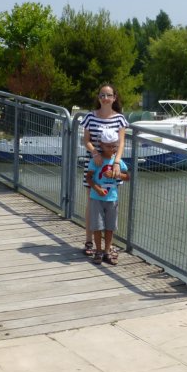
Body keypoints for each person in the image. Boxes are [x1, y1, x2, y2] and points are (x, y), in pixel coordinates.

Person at [79, 83, 128, 256]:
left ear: (114, 98)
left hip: (111, 165)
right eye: (102, 95)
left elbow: (121, 142)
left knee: (111, 203)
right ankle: (89, 240)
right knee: (92, 203)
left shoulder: (120, 118)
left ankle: (108, 245)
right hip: (95, 164)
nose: (105, 98)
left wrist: (117, 162)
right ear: (98, 98)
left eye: (108, 95)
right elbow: (86, 140)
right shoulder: (90, 117)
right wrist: (94, 153)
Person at [85, 128, 129, 265]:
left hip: (112, 198)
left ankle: (107, 251)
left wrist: (117, 175)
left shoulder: (118, 162)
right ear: (101, 145)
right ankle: (98, 251)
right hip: (96, 198)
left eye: (114, 146)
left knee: (110, 227)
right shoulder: (96, 161)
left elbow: (127, 176)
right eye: (108, 146)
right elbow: (89, 177)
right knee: (97, 226)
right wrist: (97, 189)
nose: (112, 149)